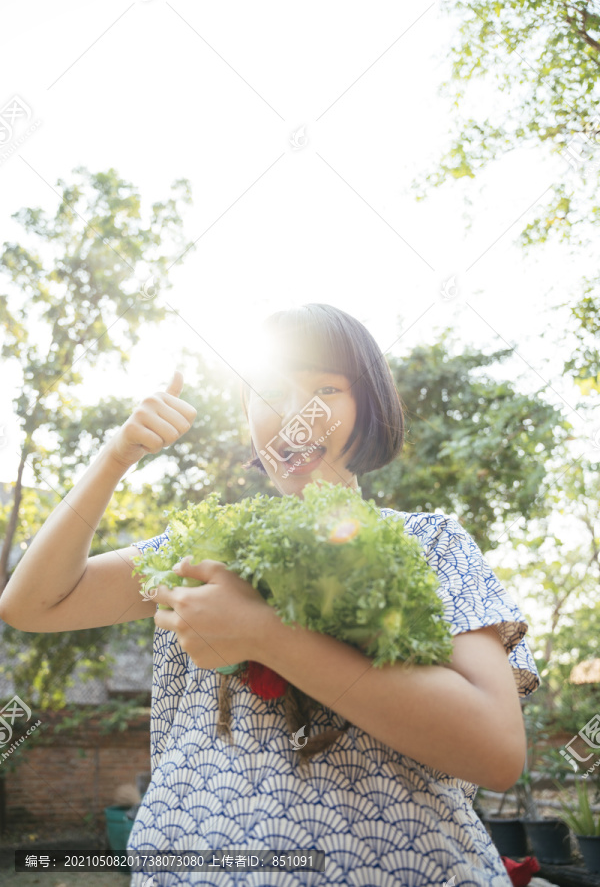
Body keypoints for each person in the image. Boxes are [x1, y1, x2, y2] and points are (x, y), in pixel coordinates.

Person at [0, 303, 540, 886]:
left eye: (326, 389)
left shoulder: (432, 543)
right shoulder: (208, 545)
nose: (295, 414)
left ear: (371, 407)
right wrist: (115, 458)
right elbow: (33, 604)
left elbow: (495, 751)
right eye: (269, 391)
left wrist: (267, 635)